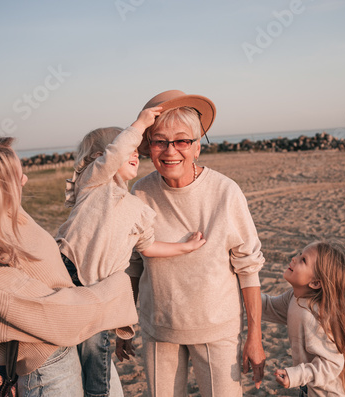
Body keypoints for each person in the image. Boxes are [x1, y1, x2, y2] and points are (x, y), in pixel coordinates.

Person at [0, 134, 138, 397]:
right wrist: (118, 285)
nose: (25, 179)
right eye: (16, 176)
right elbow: (59, 315)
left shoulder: (1, 218)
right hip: (47, 371)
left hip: (65, 351)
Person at [116, 90, 266, 396]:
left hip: (216, 329)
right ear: (149, 148)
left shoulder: (225, 192)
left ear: (197, 147)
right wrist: (124, 324)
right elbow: (132, 265)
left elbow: (248, 268)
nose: (171, 151)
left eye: (182, 141)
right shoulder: (140, 192)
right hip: (159, 329)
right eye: (160, 141)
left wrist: (255, 337)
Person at [55, 107, 206, 397]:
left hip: (98, 291)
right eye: (129, 149)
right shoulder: (94, 185)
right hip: (67, 271)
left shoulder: (138, 209)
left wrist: (184, 246)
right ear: (102, 158)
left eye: (138, 151)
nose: (135, 154)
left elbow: (148, 247)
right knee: (64, 349)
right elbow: (115, 153)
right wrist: (140, 123)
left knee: (95, 354)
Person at [261, 239, 345, 397]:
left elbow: (333, 363)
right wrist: (240, 291)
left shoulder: (312, 315)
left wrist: (296, 375)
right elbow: (268, 307)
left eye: (303, 260)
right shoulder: (294, 298)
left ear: (316, 283)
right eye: (299, 254)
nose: (294, 259)